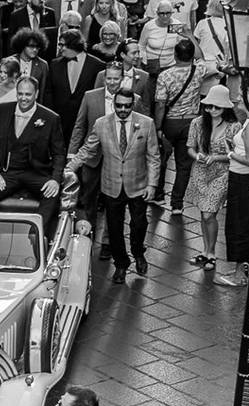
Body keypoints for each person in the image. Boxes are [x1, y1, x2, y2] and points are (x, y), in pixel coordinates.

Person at [67, 88, 159, 284]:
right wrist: (69, 168)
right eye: (119, 106)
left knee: (139, 225)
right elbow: (87, 150)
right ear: (113, 104)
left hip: (138, 184)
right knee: (114, 229)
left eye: (127, 106)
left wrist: (152, 185)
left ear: (132, 104)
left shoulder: (146, 123)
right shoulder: (101, 124)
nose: (123, 109)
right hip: (111, 185)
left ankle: (138, 252)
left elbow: (153, 157)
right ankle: (121, 265)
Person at [0, 75, 66, 236]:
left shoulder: (51, 118)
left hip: (36, 172)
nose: (23, 98)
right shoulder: (3, 109)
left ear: (36, 94)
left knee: (52, 197)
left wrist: (55, 179)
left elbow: (59, 153)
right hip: (7, 171)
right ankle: (6, 233)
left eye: (28, 94)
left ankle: (35, 234)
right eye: (20, 94)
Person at [215, 79, 249, 286]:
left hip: (244, 178)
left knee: (239, 224)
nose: (237, 98)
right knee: (247, 222)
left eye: (241, 94)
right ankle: (245, 267)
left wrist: (230, 153)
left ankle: (239, 274)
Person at [67, 63, 126, 252]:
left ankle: (109, 241)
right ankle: (87, 236)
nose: (112, 82)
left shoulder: (132, 99)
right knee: (88, 199)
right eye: (109, 78)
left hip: (117, 160)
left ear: (122, 78)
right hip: (91, 157)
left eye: (116, 78)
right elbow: (79, 125)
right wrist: (72, 153)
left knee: (113, 202)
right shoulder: (90, 96)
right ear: (104, 78)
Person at [186, 84, 241, 272]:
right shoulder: (197, 123)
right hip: (201, 171)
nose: (212, 110)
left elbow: (236, 154)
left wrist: (215, 157)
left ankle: (212, 253)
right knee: (204, 212)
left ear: (225, 107)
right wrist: (197, 156)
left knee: (209, 213)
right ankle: (206, 250)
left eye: (216, 107)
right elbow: (190, 148)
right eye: (209, 106)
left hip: (222, 173)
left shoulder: (235, 127)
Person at [153, 38, 207, 215]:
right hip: (191, 121)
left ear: (175, 55)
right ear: (191, 56)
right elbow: (202, 56)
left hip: (170, 121)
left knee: (161, 159)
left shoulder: (165, 75)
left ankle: (158, 194)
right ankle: (176, 204)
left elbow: (160, 104)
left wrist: (158, 126)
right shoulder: (199, 70)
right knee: (183, 165)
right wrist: (189, 35)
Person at [43, 29, 107, 144]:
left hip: (85, 121)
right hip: (60, 120)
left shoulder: (97, 65)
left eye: (63, 45)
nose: (60, 48)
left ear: (74, 44)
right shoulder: (54, 64)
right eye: (59, 44)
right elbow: (49, 92)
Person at [94, 39, 154, 116]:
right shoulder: (102, 75)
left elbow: (145, 106)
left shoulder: (144, 76)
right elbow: (96, 100)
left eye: (138, 52)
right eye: (134, 53)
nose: (138, 56)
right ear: (123, 54)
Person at [10, 28, 49, 93]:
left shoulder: (43, 65)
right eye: (31, 46)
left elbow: (43, 91)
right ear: (22, 45)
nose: (35, 50)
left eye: (37, 47)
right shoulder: (10, 62)